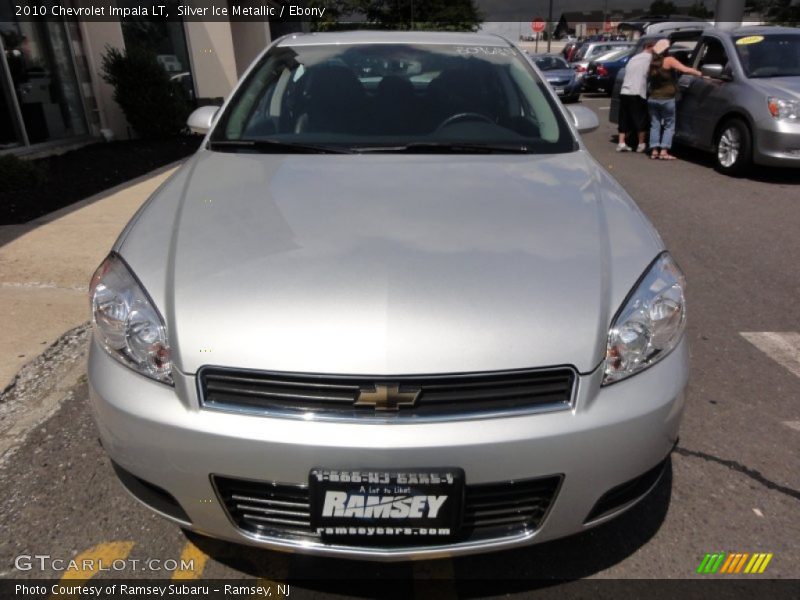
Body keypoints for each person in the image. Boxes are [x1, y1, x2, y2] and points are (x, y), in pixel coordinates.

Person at [647, 39, 703, 160]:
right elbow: (685, 69)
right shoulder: (669, 60)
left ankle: (654, 150)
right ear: (666, 50)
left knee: (655, 125)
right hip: (667, 98)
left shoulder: (653, 63)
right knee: (669, 125)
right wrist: (698, 72)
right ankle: (664, 151)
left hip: (653, 98)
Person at [616, 40, 655, 153]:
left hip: (625, 90)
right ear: (649, 47)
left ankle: (621, 142)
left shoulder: (634, 58)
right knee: (641, 118)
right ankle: (641, 144)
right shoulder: (649, 59)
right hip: (637, 91)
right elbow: (651, 73)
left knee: (623, 117)